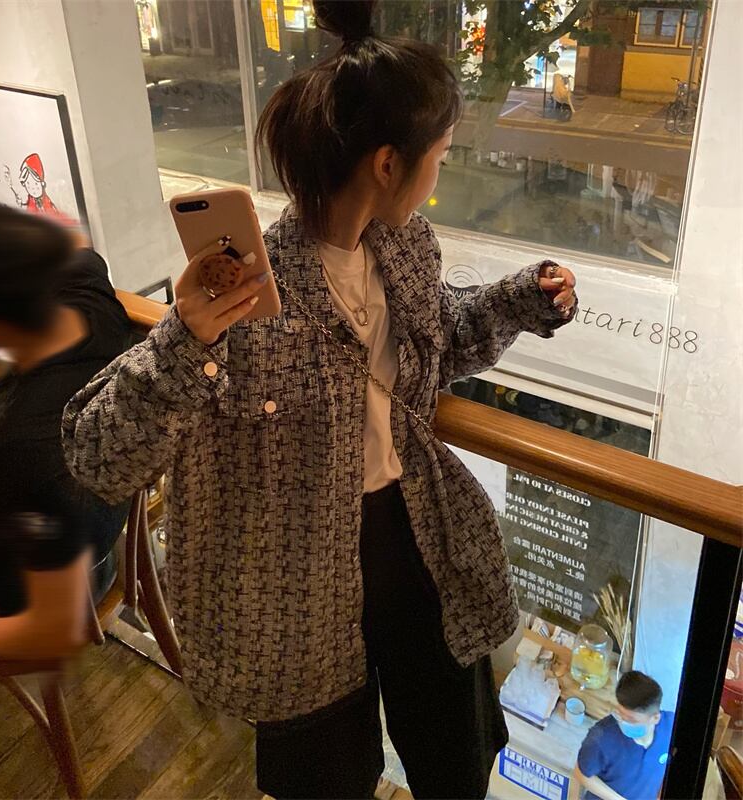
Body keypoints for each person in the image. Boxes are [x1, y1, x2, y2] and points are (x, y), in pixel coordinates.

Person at [62, 2, 578, 797]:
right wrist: (185, 336)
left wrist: (520, 299)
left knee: (455, 752)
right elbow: (97, 455)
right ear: (387, 164)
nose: (440, 176)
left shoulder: (407, 244)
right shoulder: (245, 297)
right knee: (329, 781)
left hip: (414, 532)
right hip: (290, 584)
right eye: (440, 156)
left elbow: (441, 342)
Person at [0, 198, 132, 659]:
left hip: (25, 579)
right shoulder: (90, 288)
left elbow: (52, 628)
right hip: (95, 525)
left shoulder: (21, 446)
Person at [575, 671, 675, 800]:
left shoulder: (671, 726)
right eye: (620, 715)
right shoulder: (600, 738)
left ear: (655, 718)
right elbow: (581, 773)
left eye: (632, 720)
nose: (624, 723)